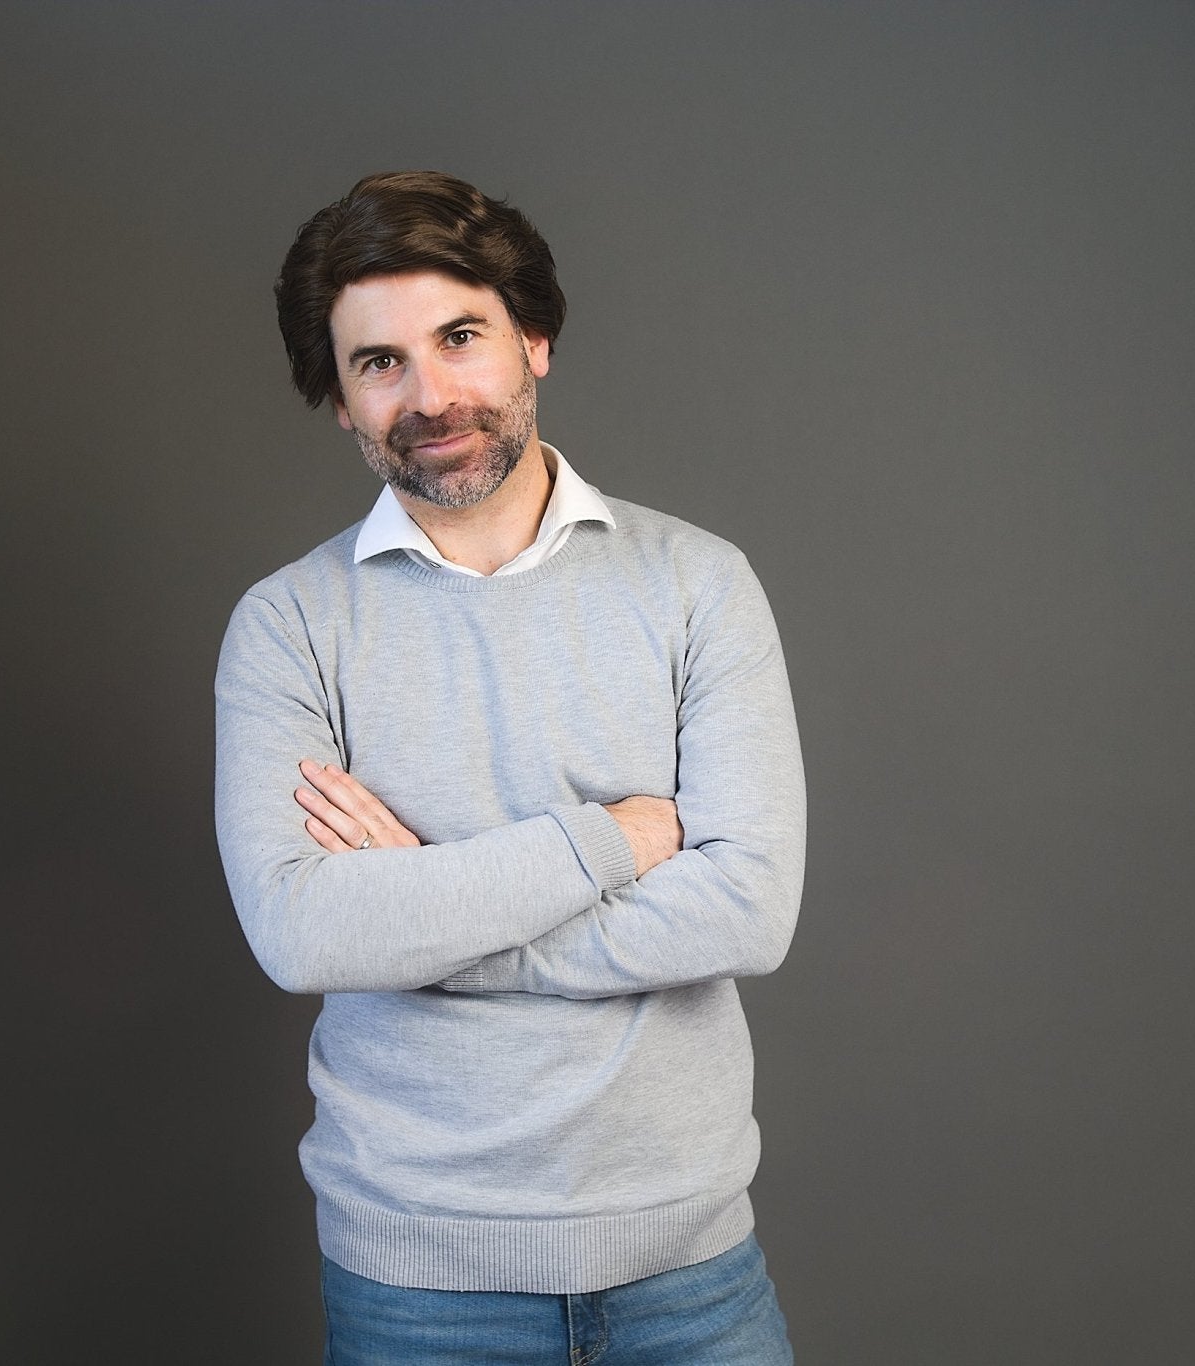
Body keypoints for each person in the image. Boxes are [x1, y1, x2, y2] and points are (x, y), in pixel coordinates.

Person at [214, 170, 806, 1364]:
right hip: (417, 1287)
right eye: (378, 362)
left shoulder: (697, 583)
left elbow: (747, 908)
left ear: (532, 339)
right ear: (339, 398)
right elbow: (303, 933)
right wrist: (609, 841)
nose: (429, 396)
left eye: (460, 337)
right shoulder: (287, 626)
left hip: (688, 1272)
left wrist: (420, 913)